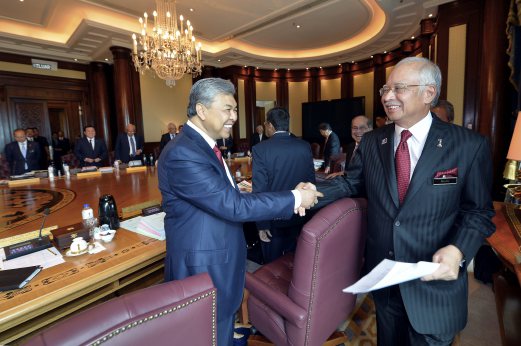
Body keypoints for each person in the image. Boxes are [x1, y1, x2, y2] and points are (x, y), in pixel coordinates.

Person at [316, 57, 495, 346]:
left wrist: (458, 249)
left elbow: (479, 211)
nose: (387, 96)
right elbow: (352, 182)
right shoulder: (374, 141)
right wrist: (310, 192)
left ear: (428, 93)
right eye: (385, 89)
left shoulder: (469, 145)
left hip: (433, 286)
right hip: (385, 279)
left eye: (399, 88)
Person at [157, 78, 322, 346]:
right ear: (201, 110)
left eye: (235, 110)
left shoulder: (203, 145)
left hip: (220, 254)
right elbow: (231, 206)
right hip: (203, 263)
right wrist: (294, 197)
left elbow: (223, 198)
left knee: (219, 325)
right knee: (205, 334)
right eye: (227, 109)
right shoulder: (183, 153)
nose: (234, 117)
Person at [252, 107, 316, 263]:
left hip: (274, 218)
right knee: (297, 262)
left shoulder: (260, 149)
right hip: (300, 217)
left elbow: (260, 190)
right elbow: (310, 183)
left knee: (272, 263)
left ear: (270, 126)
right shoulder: (304, 146)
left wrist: (261, 224)